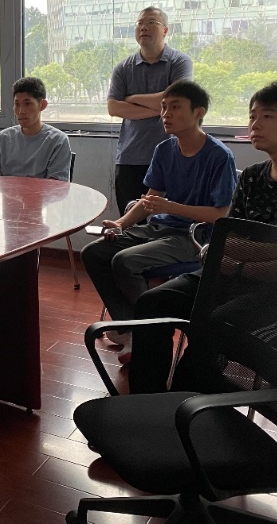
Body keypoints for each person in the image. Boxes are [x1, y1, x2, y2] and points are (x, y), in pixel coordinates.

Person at [128, 81, 277, 395]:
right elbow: (229, 239)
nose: (255, 124)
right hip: (231, 276)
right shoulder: (253, 176)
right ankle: (146, 399)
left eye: (267, 116)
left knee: (215, 325)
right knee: (154, 302)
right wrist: (262, 253)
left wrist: (243, 262)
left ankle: (190, 406)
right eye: (252, 116)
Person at [82, 81, 236, 361]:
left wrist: (171, 207)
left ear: (198, 112)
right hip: (159, 228)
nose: (166, 114)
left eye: (175, 107)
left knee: (125, 261)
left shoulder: (219, 156)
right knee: (94, 252)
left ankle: (149, 329)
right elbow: (151, 199)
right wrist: (121, 223)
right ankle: (132, 326)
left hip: (195, 237)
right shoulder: (165, 149)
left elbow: (220, 215)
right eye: (164, 107)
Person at [107, 7, 193, 214]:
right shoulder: (123, 68)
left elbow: (179, 100)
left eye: (151, 22)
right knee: (130, 220)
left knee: (167, 221)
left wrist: (132, 99)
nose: (144, 27)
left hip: (172, 156)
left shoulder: (180, 62)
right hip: (130, 157)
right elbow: (113, 107)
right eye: (140, 23)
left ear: (165, 30)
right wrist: (162, 106)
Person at [0, 76, 72, 181]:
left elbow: (56, 186)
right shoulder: (4, 138)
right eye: (17, 104)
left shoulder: (58, 141)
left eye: (27, 104)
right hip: (8, 192)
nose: (21, 111)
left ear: (42, 105)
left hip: (41, 192)